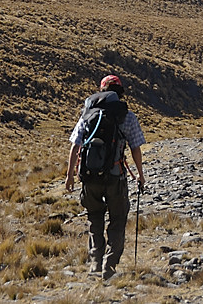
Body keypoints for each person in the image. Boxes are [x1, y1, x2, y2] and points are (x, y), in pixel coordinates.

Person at [65, 74, 146, 280]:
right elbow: (135, 148)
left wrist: (70, 176)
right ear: (119, 93)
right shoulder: (127, 116)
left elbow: (75, 146)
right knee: (117, 220)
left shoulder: (88, 114)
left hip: (89, 177)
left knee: (95, 219)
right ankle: (109, 266)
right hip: (115, 177)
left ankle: (94, 264)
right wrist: (140, 175)